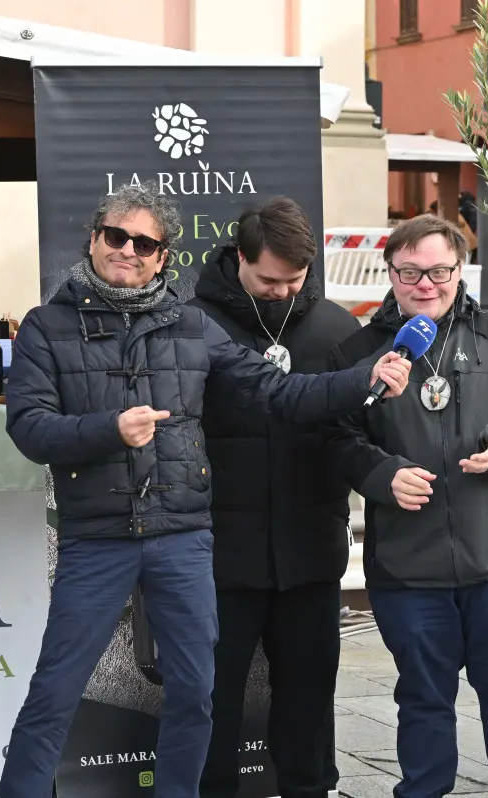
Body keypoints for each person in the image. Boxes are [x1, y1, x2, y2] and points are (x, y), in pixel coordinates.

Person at [0, 182, 411, 798]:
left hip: (183, 538)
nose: (127, 250)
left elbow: (278, 394)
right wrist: (108, 429)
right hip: (98, 538)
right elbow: (29, 428)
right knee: (56, 690)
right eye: (116, 236)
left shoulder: (193, 327)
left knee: (197, 694)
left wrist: (363, 381)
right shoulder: (45, 326)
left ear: (163, 257)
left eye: (144, 242)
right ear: (94, 239)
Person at [327, 214, 488, 798]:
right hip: (411, 568)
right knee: (423, 699)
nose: (425, 284)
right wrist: (382, 475)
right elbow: (334, 435)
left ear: (460, 271)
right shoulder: (358, 352)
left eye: (438, 270)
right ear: (391, 274)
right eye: (410, 272)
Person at [188, 197, 360, 798]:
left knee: (309, 707)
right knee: (211, 706)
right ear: (239, 257)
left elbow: (356, 435)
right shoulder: (190, 324)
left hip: (310, 554)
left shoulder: (338, 329)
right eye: (269, 280)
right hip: (217, 557)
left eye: (296, 280)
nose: (284, 292)